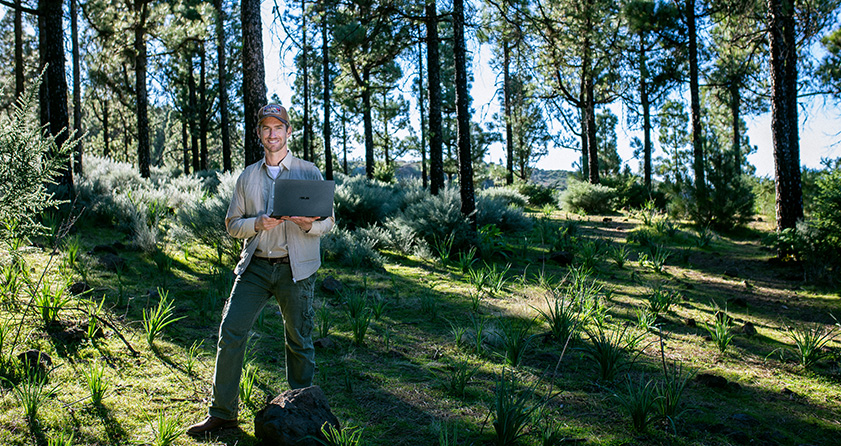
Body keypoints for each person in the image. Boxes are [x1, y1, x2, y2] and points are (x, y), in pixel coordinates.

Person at [187, 104, 334, 435]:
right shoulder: (248, 177)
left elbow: (329, 222)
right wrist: (257, 223)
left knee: (299, 339)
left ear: (288, 132)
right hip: (255, 267)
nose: (272, 134)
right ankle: (222, 413)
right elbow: (232, 224)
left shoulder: (308, 171)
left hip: (296, 269)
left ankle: (302, 415)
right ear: (259, 134)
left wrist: (308, 224)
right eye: (266, 128)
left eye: (278, 127)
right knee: (231, 331)